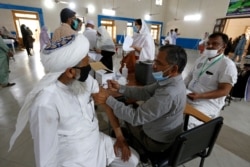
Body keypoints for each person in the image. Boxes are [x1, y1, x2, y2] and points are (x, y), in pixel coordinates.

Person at [9, 34, 139, 167]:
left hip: (97, 143)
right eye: (86, 61)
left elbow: (106, 101)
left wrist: (120, 137)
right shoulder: (45, 103)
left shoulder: (86, 80)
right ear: (70, 71)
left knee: (132, 160)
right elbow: (45, 159)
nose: (90, 63)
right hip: (73, 157)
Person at [93, 45, 187, 155]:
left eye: (159, 63)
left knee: (127, 118)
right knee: (130, 108)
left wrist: (108, 99)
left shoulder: (169, 93)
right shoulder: (171, 81)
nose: (154, 66)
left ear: (174, 69)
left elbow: (135, 117)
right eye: (155, 61)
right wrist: (121, 88)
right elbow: (145, 92)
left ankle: (139, 147)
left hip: (156, 142)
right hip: (165, 130)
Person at [184, 32, 238, 128]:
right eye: (208, 43)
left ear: (223, 46)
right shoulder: (201, 59)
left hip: (206, 103)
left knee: (187, 123)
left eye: (215, 44)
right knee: (168, 111)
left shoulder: (227, 65)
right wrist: (180, 89)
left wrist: (200, 96)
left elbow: (224, 91)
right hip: (189, 95)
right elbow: (189, 76)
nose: (209, 46)